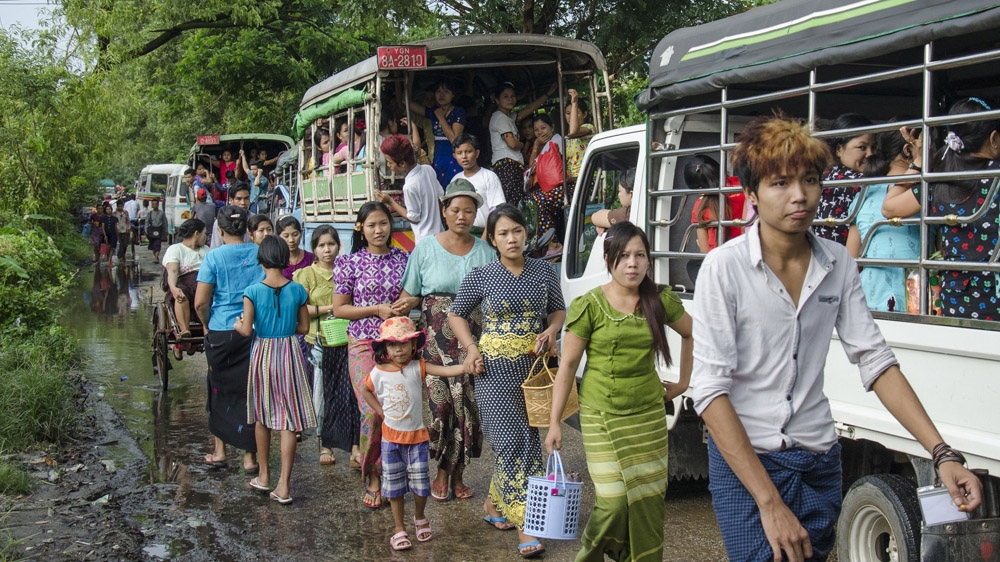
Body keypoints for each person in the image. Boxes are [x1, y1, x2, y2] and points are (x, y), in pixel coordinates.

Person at [691, 114, 982, 562]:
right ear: (750, 194)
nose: (799, 195)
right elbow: (710, 392)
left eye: (809, 180)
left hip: (818, 460)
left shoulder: (837, 263)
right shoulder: (724, 268)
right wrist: (770, 505)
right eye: (780, 183)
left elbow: (875, 360)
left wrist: (942, 453)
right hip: (747, 465)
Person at [546, 220, 693, 562]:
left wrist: (684, 383)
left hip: (648, 418)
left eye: (640, 255)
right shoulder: (590, 306)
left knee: (647, 500)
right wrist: (554, 422)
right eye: (624, 255)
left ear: (648, 261)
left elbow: (690, 333)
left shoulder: (659, 300)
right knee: (612, 503)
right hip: (601, 418)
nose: (633, 263)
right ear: (609, 258)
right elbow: (566, 367)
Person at [449, 204, 565, 559]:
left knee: (530, 443)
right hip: (493, 373)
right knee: (511, 444)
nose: (511, 238)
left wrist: (551, 329)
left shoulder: (544, 271)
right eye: (503, 233)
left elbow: (558, 310)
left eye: (516, 230)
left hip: (533, 373)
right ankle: (527, 526)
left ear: (525, 233)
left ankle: (493, 505)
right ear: (494, 239)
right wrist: (470, 349)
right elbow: (456, 314)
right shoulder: (482, 275)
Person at [397, 179, 494, 502]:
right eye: (456, 210)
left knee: (468, 410)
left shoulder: (485, 252)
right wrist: (406, 306)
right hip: (435, 346)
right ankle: (441, 471)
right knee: (441, 408)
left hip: (472, 344)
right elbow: (409, 294)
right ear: (444, 210)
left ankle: (457, 476)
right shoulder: (424, 248)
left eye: (469, 211)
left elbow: (493, 300)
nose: (462, 216)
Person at [882, 97, 1000, 320]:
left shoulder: (939, 180)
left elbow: (889, 208)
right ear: (994, 138)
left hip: (956, 299)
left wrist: (918, 163)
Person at [361, 316, 470, 551]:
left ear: (413, 345)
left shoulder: (417, 367)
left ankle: (420, 516)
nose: (398, 349)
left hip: (418, 439)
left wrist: (466, 366)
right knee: (394, 487)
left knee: (421, 486)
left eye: (403, 344)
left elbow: (445, 370)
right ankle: (399, 528)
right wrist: (379, 410)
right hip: (391, 440)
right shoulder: (378, 372)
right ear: (385, 349)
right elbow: (365, 390)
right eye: (392, 345)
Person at [333, 202, 412, 509]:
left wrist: (406, 302)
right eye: (371, 225)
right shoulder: (349, 263)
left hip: (397, 343)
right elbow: (340, 309)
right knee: (372, 411)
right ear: (360, 229)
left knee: (398, 410)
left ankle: (396, 472)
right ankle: (373, 476)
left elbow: (412, 294)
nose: (378, 230)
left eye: (383, 224)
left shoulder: (404, 259)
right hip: (363, 343)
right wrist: (376, 310)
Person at [235, 235, 316, 504]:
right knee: (289, 420)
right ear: (284, 258)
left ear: (261, 260)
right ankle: (283, 485)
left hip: (264, 353)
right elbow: (304, 328)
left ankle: (264, 475)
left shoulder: (252, 291)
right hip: (290, 352)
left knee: (261, 414)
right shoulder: (298, 290)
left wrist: (237, 324)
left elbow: (247, 330)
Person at [194, 206, 262, 474]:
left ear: (220, 231)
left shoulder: (213, 257)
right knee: (251, 391)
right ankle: (249, 458)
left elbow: (200, 302)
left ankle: (220, 452)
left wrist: (206, 324)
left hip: (222, 331)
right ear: (247, 230)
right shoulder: (260, 252)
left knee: (218, 390)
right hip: (256, 328)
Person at [294, 225, 361, 467]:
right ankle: (326, 444)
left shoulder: (346, 270)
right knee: (324, 394)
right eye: (321, 246)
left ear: (338, 246)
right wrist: (332, 309)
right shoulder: (305, 275)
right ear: (314, 249)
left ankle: (355, 446)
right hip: (319, 342)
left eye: (331, 244)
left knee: (352, 394)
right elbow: (301, 310)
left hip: (347, 340)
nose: (327, 250)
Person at [845, 123, 921, 312]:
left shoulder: (865, 193)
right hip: (917, 301)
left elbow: (850, 259)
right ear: (908, 149)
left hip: (869, 298)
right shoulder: (922, 192)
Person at [489, 82, 554, 205]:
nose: (510, 99)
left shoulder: (508, 117)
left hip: (511, 166)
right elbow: (512, 144)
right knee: (512, 205)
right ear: (497, 100)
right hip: (507, 167)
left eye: (512, 96)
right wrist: (524, 144)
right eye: (505, 96)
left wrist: (547, 94)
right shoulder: (500, 117)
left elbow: (528, 110)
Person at [815, 113, 874, 244]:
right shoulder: (862, 181)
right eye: (862, 147)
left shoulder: (821, 175)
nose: (870, 154)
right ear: (839, 149)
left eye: (873, 147)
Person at [375, 134, 444, 242]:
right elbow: (441, 196)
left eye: (389, 162)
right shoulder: (428, 169)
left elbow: (414, 218)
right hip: (440, 235)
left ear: (402, 163)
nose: (388, 165)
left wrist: (390, 201)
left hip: (425, 240)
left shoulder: (409, 186)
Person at [162, 218, 209, 359]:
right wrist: (174, 288)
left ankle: (207, 328)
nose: (205, 237)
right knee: (182, 295)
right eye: (204, 233)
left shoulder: (206, 250)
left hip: (204, 282)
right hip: (184, 282)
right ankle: (185, 331)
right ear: (196, 233)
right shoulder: (176, 249)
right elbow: (173, 271)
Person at [410, 79, 465, 189]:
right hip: (437, 156)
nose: (441, 95)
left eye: (446, 91)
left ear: (453, 95)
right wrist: (410, 77)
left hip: (453, 156)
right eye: (438, 91)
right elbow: (405, 102)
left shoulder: (458, 112)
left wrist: (440, 117)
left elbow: (454, 140)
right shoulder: (433, 111)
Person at [685, 155, 746, 253]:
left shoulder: (700, 207)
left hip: (720, 261)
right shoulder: (743, 186)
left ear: (700, 188)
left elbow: (705, 252)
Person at [451, 134, 506, 236]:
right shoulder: (455, 180)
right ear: (455, 156)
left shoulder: (489, 176)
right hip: (461, 234)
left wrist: (485, 237)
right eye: (459, 153)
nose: (464, 157)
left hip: (484, 232)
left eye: (468, 152)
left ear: (477, 153)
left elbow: (497, 210)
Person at [527, 114, 565, 238]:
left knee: (536, 201)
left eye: (543, 128)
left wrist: (537, 145)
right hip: (551, 189)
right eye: (536, 129)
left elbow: (533, 167)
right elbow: (531, 167)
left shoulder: (556, 140)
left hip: (560, 187)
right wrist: (537, 145)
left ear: (552, 127)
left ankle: (550, 243)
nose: (539, 132)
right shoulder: (546, 146)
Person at [564, 88, 595, 200]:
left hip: (585, 180)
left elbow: (574, 131)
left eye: (575, 112)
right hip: (572, 181)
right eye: (568, 113)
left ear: (585, 114)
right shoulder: (567, 138)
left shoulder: (588, 128)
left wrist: (575, 102)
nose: (570, 116)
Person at [590, 168, 636, 234]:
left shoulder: (627, 214)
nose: (618, 195)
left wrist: (601, 223)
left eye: (619, 191)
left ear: (631, 194)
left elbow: (595, 217)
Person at [275, 216, 314, 280]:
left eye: (295, 235)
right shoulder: (276, 260)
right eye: (286, 236)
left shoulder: (311, 258)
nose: (291, 240)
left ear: (301, 234)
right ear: (278, 237)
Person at [103, 202, 120, 268]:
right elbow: (103, 227)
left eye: (109, 209)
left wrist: (117, 235)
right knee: (107, 247)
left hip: (113, 234)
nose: (108, 210)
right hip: (107, 234)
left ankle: (110, 260)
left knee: (112, 247)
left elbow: (116, 227)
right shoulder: (104, 218)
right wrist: (105, 235)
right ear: (105, 210)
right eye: (107, 209)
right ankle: (108, 259)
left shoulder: (115, 218)